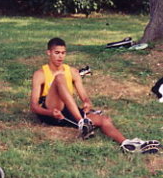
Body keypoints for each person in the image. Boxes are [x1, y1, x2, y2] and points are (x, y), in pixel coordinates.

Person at [30, 37, 160, 153]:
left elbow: (86, 99)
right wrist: (50, 113)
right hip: (50, 108)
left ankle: (127, 143)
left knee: (104, 120)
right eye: (56, 53)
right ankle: (82, 122)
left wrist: (87, 104)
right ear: (49, 53)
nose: (60, 57)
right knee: (59, 78)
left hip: (68, 110)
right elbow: (34, 106)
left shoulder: (73, 72)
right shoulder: (40, 74)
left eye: (63, 53)